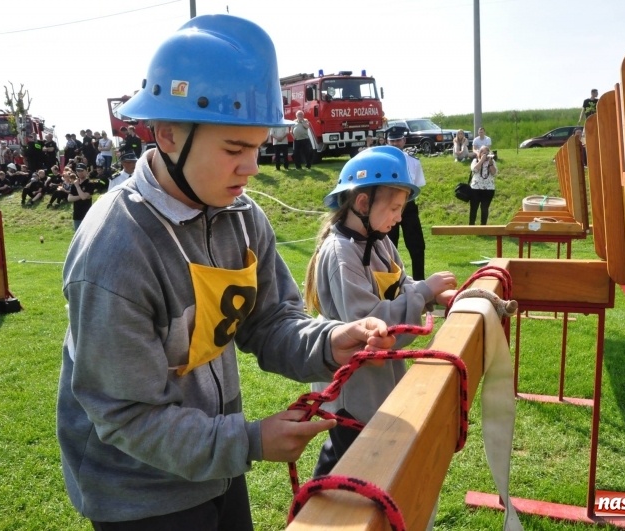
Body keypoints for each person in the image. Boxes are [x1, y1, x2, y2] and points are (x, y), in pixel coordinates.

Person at [56, 14, 395, 531]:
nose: (252, 167)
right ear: (168, 135)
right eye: (235, 149)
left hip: (216, 464)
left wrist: (331, 341)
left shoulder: (241, 216)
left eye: (258, 147)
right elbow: (125, 415)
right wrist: (249, 440)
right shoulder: (114, 250)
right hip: (139, 492)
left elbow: (268, 319)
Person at [304, 145, 457, 477]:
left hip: (377, 383)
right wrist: (423, 292)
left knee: (363, 458)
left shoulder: (381, 241)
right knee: (352, 462)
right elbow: (370, 324)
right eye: (394, 208)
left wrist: (435, 297)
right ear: (363, 203)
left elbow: (401, 285)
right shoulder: (340, 254)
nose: (399, 217)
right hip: (352, 388)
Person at [385, 126, 427, 281]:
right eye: (392, 141)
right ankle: (390, 284)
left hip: (408, 205)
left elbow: (417, 183)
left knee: (417, 246)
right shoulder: (382, 162)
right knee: (388, 247)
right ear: (387, 142)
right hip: (388, 206)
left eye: (398, 140)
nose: (395, 143)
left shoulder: (413, 162)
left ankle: (420, 283)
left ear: (404, 141)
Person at [468, 145, 498, 225]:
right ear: (480, 153)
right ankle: (471, 227)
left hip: (488, 189)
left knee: (484, 208)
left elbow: (494, 173)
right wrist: (481, 161)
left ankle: (483, 227)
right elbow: (474, 169)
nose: (485, 154)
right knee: (474, 208)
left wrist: (490, 163)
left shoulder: (492, 162)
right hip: (476, 188)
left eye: (487, 152)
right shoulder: (475, 160)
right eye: (483, 152)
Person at [66, 162, 95, 230]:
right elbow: (69, 198)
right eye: (78, 170)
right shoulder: (74, 184)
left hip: (87, 215)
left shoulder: (89, 183)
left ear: (86, 171)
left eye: (82, 170)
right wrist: (81, 196)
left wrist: (78, 187)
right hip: (77, 215)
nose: (80, 172)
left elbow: (84, 197)